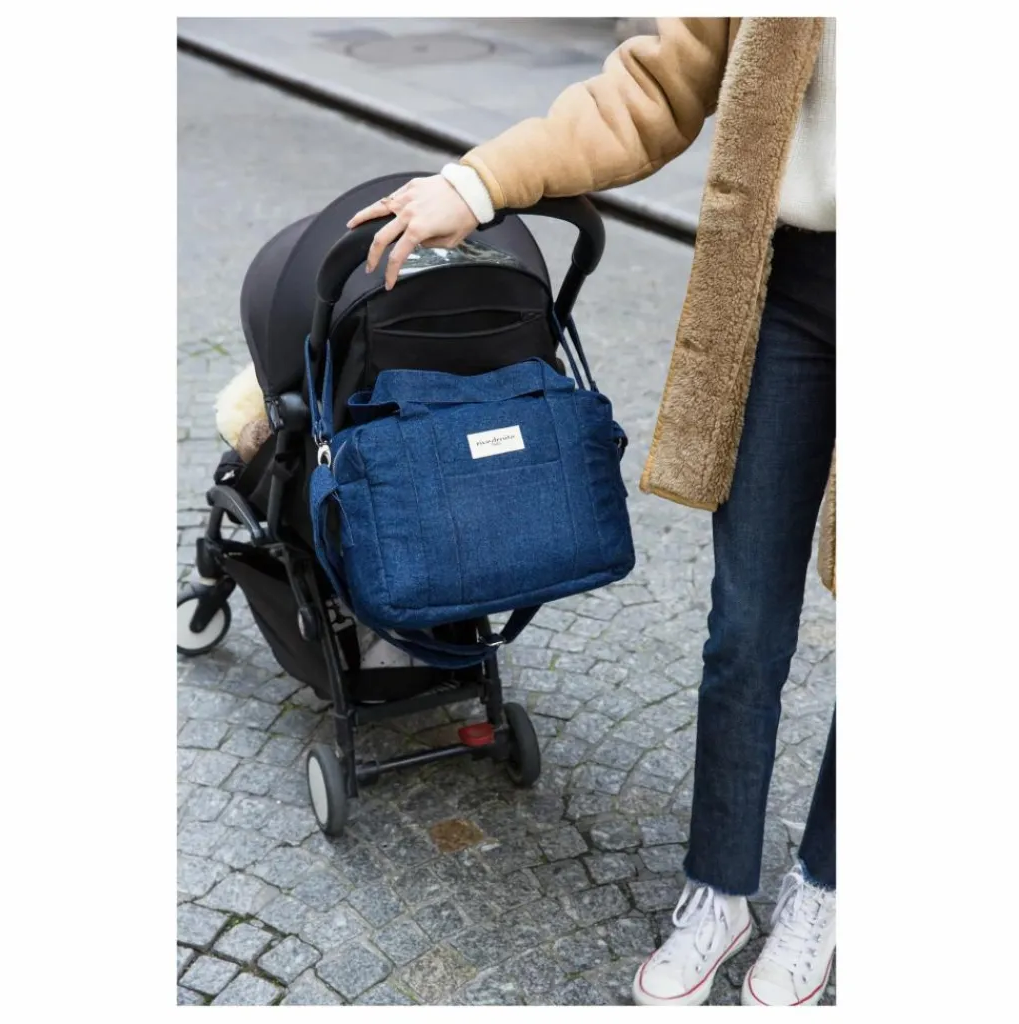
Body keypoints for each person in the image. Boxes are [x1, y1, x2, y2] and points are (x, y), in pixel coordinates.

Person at [349, 17, 836, 1008]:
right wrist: (476, 183)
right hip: (785, 287)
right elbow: (652, 88)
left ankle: (827, 883)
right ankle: (718, 890)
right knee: (745, 624)